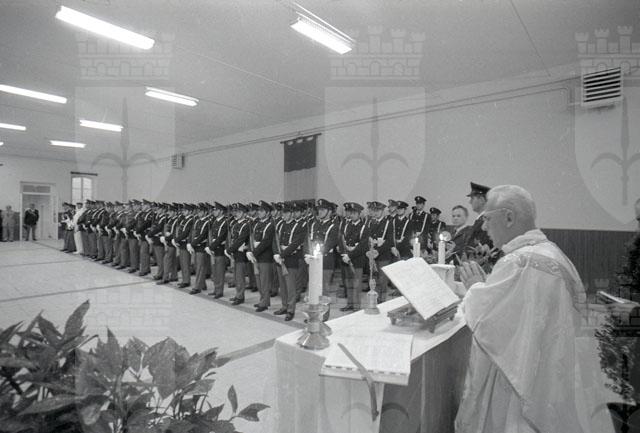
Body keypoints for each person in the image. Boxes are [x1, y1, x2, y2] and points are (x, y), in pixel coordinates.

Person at [455, 185, 613, 433]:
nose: (484, 227)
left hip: (522, 386)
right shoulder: (552, 254)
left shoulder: (521, 261)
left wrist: (475, 286)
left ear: (508, 217)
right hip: (553, 376)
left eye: (487, 219)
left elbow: (491, 323)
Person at [273, 202, 305, 321]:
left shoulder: (299, 226)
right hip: (279, 259)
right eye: (283, 213)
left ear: (291, 213)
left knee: (290, 287)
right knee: (282, 286)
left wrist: (282, 254)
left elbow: (295, 244)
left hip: (290, 259)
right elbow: (275, 240)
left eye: (286, 213)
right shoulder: (280, 225)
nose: (284, 215)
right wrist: (276, 254)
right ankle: (284, 306)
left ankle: (291, 310)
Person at [248, 201, 275, 312]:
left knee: (264, 281)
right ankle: (262, 300)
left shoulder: (270, 225)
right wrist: (249, 251)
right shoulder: (257, 224)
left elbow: (265, 242)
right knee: (258, 280)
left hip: (265, 257)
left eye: (262, 211)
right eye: (258, 210)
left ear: (267, 213)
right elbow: (252, 239)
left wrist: (253, 252)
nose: (259, 212)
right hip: (256, 257)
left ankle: (264, 302)